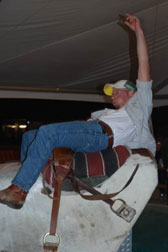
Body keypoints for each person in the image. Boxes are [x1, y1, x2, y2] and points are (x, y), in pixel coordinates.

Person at [0, 13, 156, 210]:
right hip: (92, 131)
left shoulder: (140, 106)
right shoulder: (106, 113)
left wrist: (138, 32)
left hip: (101, 134)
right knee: (30, 136)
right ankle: (33, 182)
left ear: (132, 94)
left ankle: (19, 189)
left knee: (48, 133)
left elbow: (144, 64)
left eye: (118, 91)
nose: (113, 95)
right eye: (112, 93)